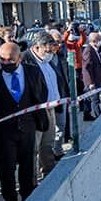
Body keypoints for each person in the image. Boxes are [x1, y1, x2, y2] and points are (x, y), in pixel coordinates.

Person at [0, 43, 47, 201]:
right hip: (3, 131)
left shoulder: (32, 72)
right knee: (6, 168)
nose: (5, 62)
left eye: (10, 59)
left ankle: (28, 198)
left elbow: (41, 94)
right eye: (2, 59)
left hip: (27, 127)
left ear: (20, 58)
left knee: (27, 165)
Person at [22, 31, 68, 178]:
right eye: (47, 50)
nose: (50, 53)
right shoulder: (26, 61)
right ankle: (32, 179)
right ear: (37, 47)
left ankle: (48, 170)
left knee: (47, 143)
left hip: (51, 108)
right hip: (35, 112)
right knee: (34, 147)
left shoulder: (48, 61)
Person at [49, 29, 71, 149]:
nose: (60, 45)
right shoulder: (45, 59)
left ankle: (57, 150)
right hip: (50, 99)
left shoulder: (59, 55)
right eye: (57, 42)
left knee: (61, 126)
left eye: (61, 42)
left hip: (61, 95)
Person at [62, 24, 87, 114]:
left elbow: (83, 39)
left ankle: (81, 106)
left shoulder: (77, 44)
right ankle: (71, 105)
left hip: (79, 68)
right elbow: (63, 39)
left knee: (80, 88)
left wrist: (81, 31)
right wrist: (68, 31)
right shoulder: (67, 45)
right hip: (71, 68)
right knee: (71, 87)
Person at [82, 32, 101, 119]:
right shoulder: (88, 50)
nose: (100, 42)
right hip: (92, 81)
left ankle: (87, 114)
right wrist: (91, 82)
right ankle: (99, 115)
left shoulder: (94, 50)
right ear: (94, 41)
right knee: (95, 99)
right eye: (99, 39)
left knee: (88, 98)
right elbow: (87, 67)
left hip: (96, 79)